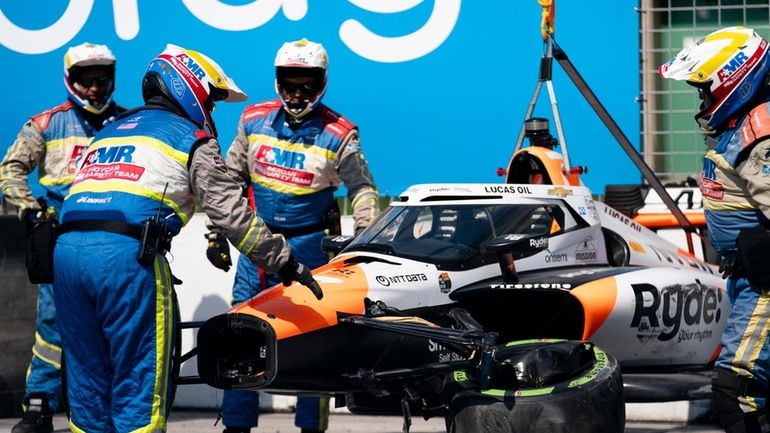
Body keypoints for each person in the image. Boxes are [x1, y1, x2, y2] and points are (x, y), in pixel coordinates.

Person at [52, 43, 322, 433]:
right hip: (125, 259)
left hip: (66, 257)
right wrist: (285, 261)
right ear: (189, 88)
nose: (211, 111)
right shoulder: (190, 136)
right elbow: (232, 215)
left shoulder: (109, 131)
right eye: (211, 101)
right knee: (140, 380)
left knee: (88, 383)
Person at [206, 38, 379, 433]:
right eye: (289, 84)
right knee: (240, 339)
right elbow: (230, 179)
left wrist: (364, 241)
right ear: (277, 81)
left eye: (307, 85)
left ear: (322, 83)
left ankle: (311, 429)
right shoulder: (252, 119)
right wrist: (216, 233)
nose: (297, 94)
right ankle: (237, 426)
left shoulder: (341, 132)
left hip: (311, 249)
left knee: (313, 342)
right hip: (257, 246)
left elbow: (364, 189)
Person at [0, 42, 124, 433]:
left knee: (112, 326)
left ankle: (111, 407)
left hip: (115, 242)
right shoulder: (46, 124)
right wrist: (30, 209)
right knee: (52, 324)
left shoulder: (130, 123)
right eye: (86, 81)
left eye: (101, 80)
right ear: (71, 81)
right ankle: (39, 405)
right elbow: (9, 170)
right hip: (61, 241)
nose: (94, 89)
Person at [660, 26, 770, 433]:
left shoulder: (758, 137)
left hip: (764, 289)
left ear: (735, 80)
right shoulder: (741, 127)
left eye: (706, 89)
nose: (703, 99)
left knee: (737, 390)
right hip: (746, 282)